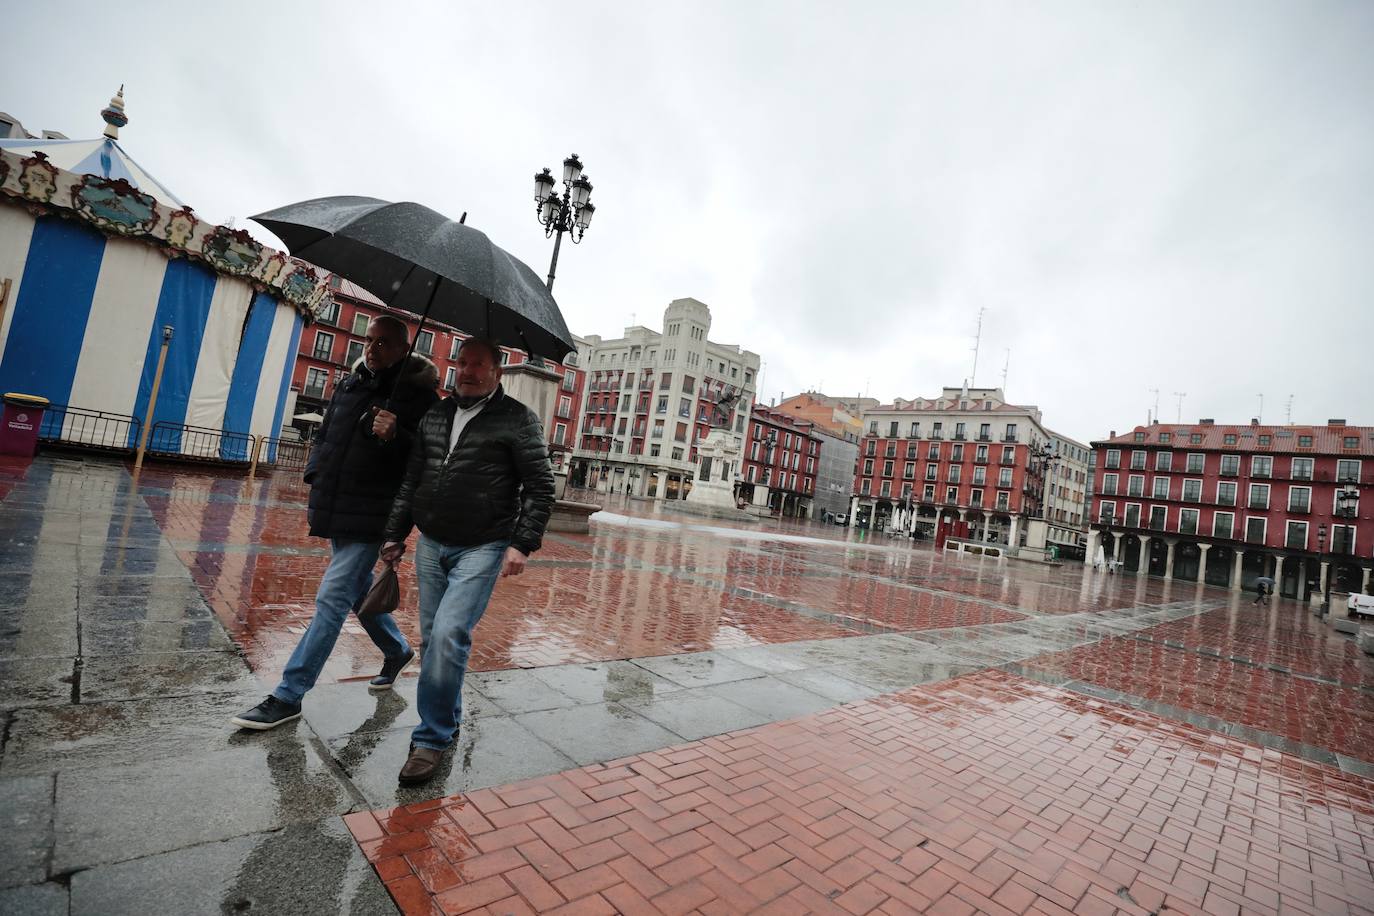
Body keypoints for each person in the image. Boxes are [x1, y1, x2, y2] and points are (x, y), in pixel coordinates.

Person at [232, 316, 438, 730]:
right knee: (358, 592)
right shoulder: (353, 382)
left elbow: (427, 458)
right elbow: (327, 433)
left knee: (331, 598)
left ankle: (289, 694)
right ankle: (396, 650)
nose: (373, 347)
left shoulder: (418, 397)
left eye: (384, 342)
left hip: (375, 512)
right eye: (369, 339)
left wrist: (397, 434)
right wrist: (316, 472)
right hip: (338, 502)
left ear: (403, 349)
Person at [381, 338, 555, 784]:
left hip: (483, 544)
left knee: (449, 633)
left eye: (480, 365)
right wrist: (395, 535)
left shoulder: (518, 420)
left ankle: (431, 738)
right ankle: (448, 715)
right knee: (433, 638)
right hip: (432, 542)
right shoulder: (436, 414)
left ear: (498, 371)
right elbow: (412, 477)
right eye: (463, 362)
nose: (469, 371)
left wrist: (522, 543)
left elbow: (540, 485)